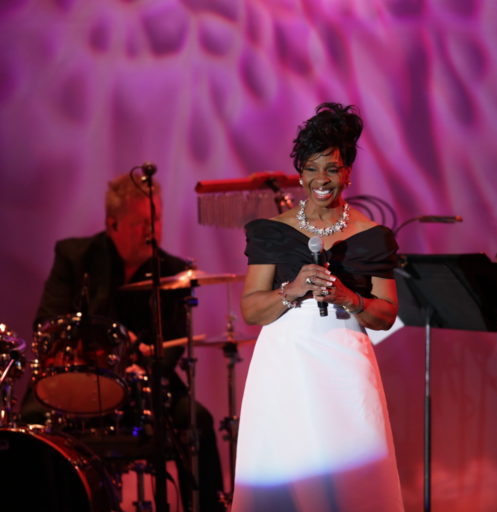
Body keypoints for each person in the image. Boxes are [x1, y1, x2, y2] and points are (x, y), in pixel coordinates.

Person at [232, 102, 404, 511]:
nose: (321, 179)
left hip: (345, 367)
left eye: (331, 168)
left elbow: (386, 315)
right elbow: (252, 311)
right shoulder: (273, 233)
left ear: (347, 172)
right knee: (286, 472)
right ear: (300, 173)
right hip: (285, 367)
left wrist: (351, 298)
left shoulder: (373, 235)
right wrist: (291, 291)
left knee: (352, 481)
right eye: (311, 168)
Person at [24, 172, 225, 512]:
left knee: (198, 420)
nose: (152, 230)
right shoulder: (75, 257)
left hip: (141, 388)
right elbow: (46, 325)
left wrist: (142, 363)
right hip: (77, 383)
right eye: (139, 222)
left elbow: (172, 350)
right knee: (30, 420)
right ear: (113, 224)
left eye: (156, 218)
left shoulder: (173, 271)